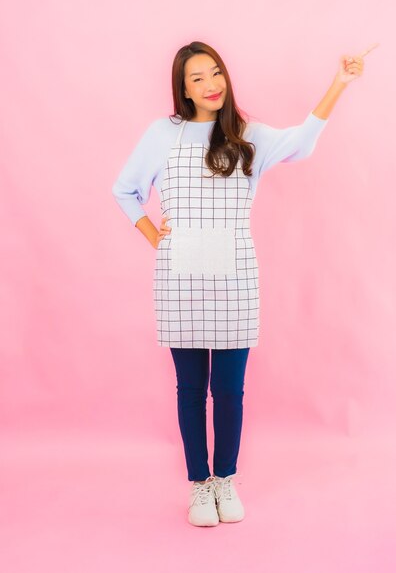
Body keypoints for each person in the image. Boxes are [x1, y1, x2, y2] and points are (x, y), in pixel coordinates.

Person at [112, 40, 371, 527]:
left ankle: (225, 479)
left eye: (216, 73)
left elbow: (301, 141)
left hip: (235, 277)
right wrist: (153, 237)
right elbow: (124, 189)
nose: (211, 85)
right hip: (180, 278)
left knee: (229, 390)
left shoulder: (244, 132)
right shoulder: (161, 135)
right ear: (183, 89)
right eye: (197, 78)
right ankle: (198, 485)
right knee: (190, 390)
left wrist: (340, 83)